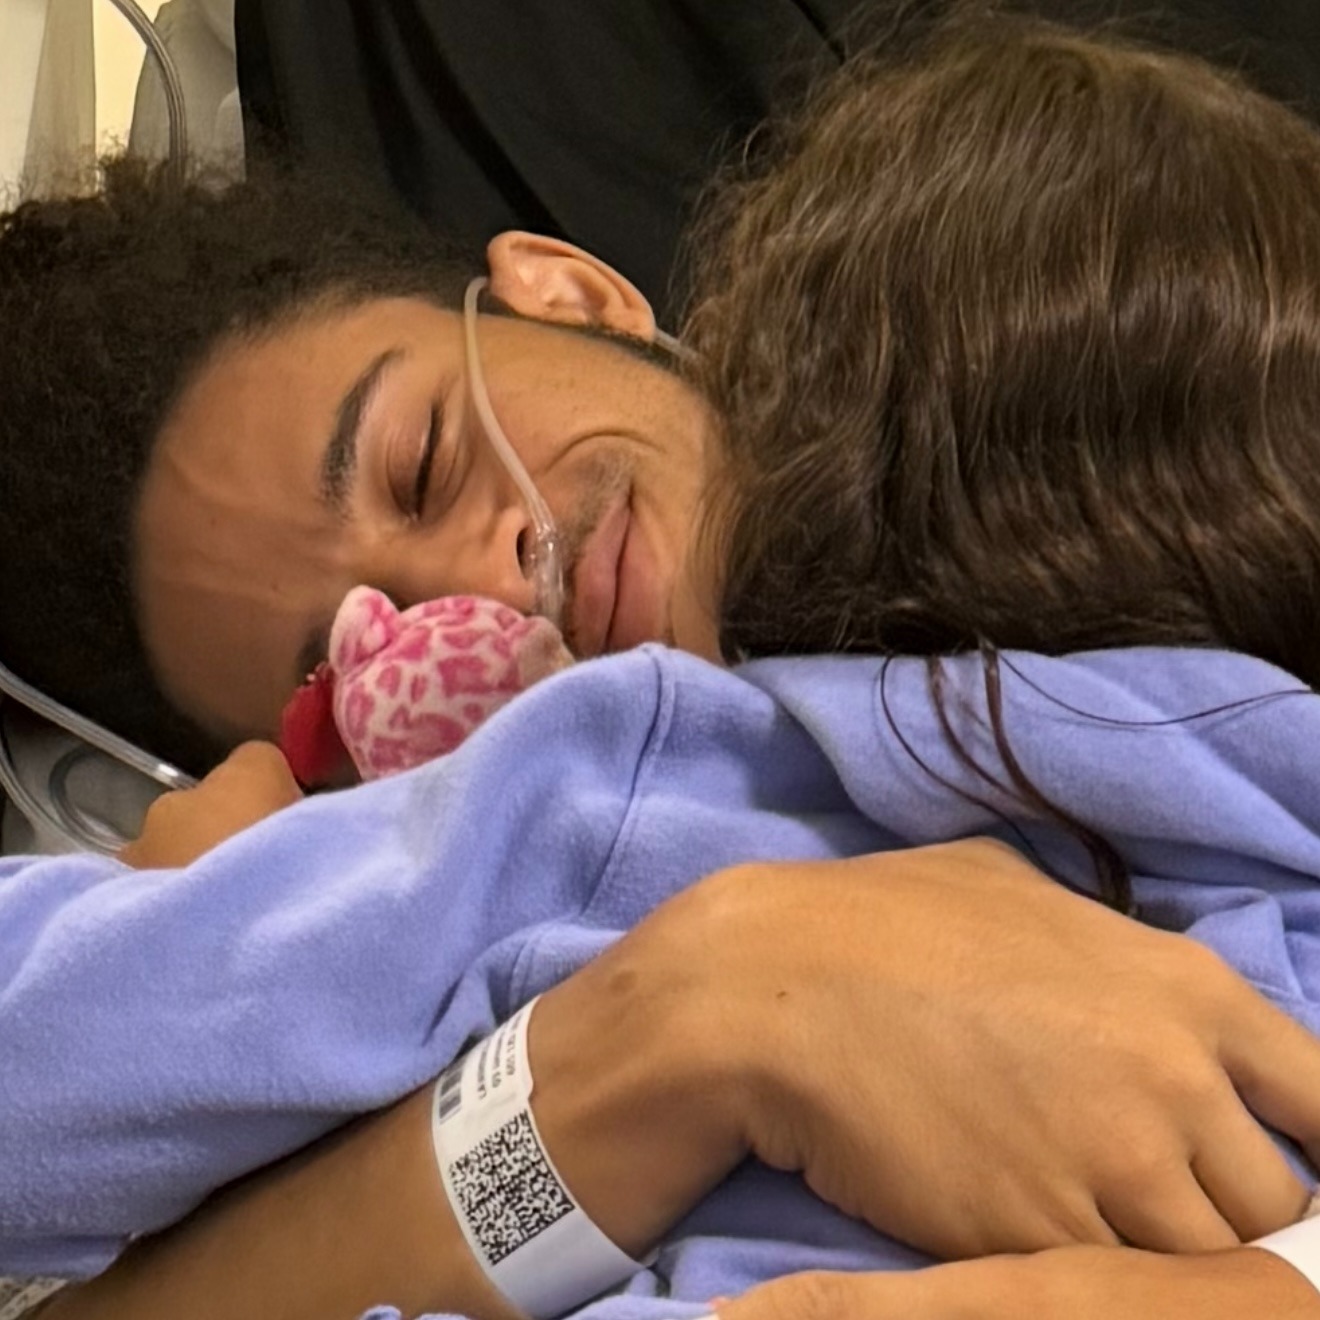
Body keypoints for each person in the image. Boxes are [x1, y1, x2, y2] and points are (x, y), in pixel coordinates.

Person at [3, 9, 1320, 1319]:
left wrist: (198, 937)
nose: (485, 591)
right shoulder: (537, 877)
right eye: (350, 689)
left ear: (572, 296)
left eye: (424, 462)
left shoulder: (611, 783)